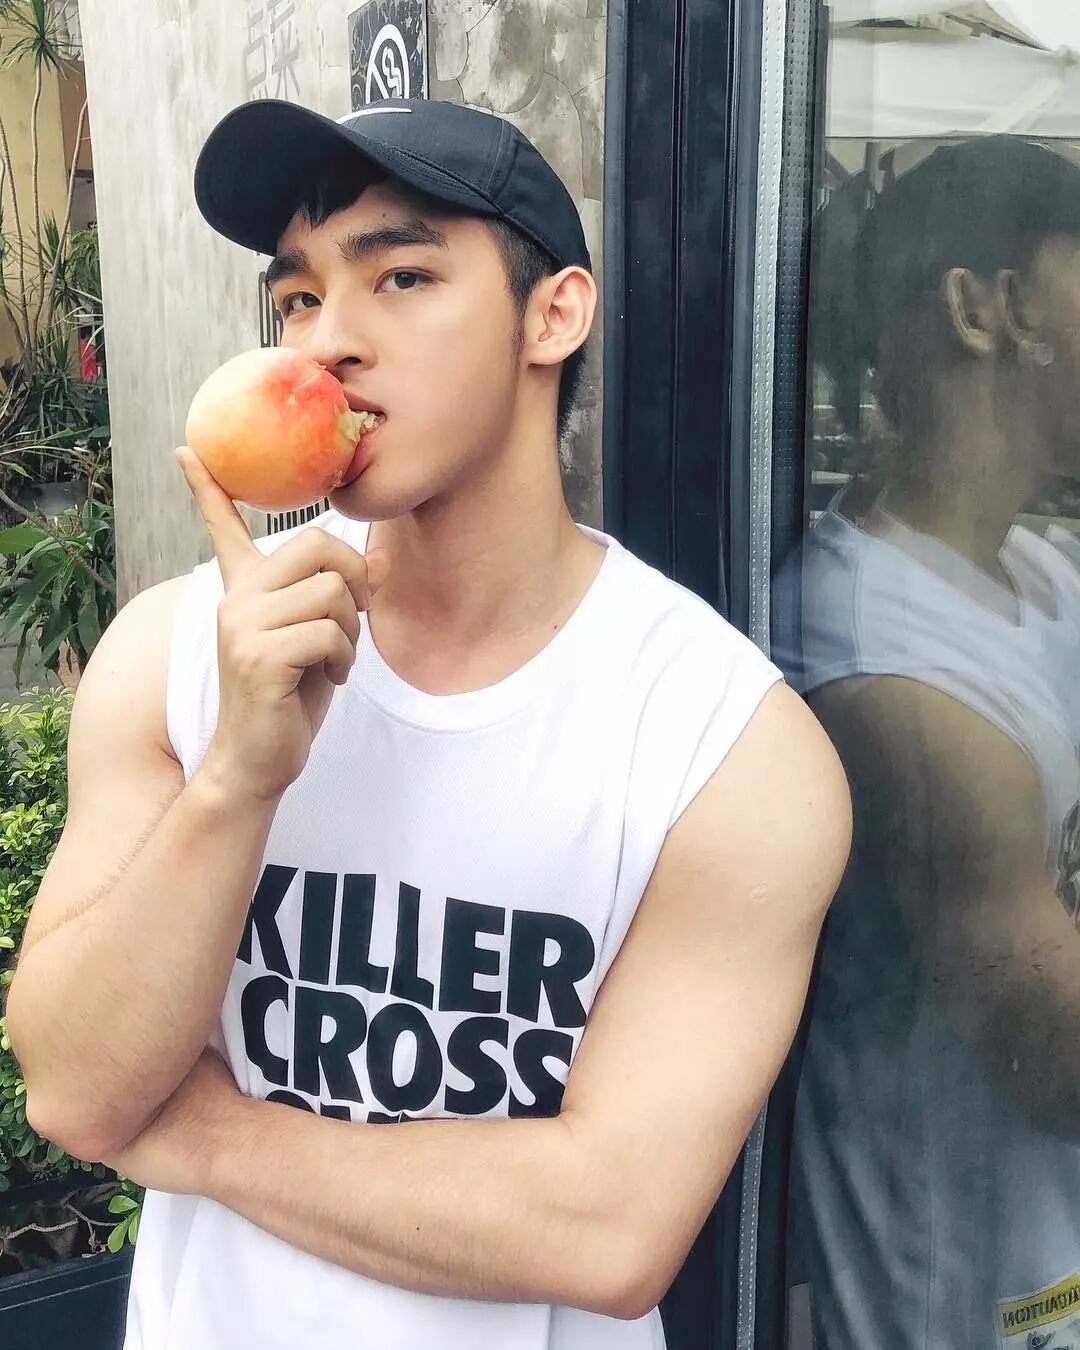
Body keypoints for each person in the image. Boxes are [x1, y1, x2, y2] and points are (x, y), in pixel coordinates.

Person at [6, 98, 849, 1350]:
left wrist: (201, 1133)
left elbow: (609, 1230)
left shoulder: (725, 747)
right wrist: (236, 780)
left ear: (552, 316)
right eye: (298, 298)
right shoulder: (171, 654)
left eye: (401, 277)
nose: (328, 342)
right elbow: (76, 1089)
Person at [776, 137, 1080, 1348]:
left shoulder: (1043, 574)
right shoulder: (885, 668)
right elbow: (1060, 1065)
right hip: (966, 1311)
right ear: (987, 307)